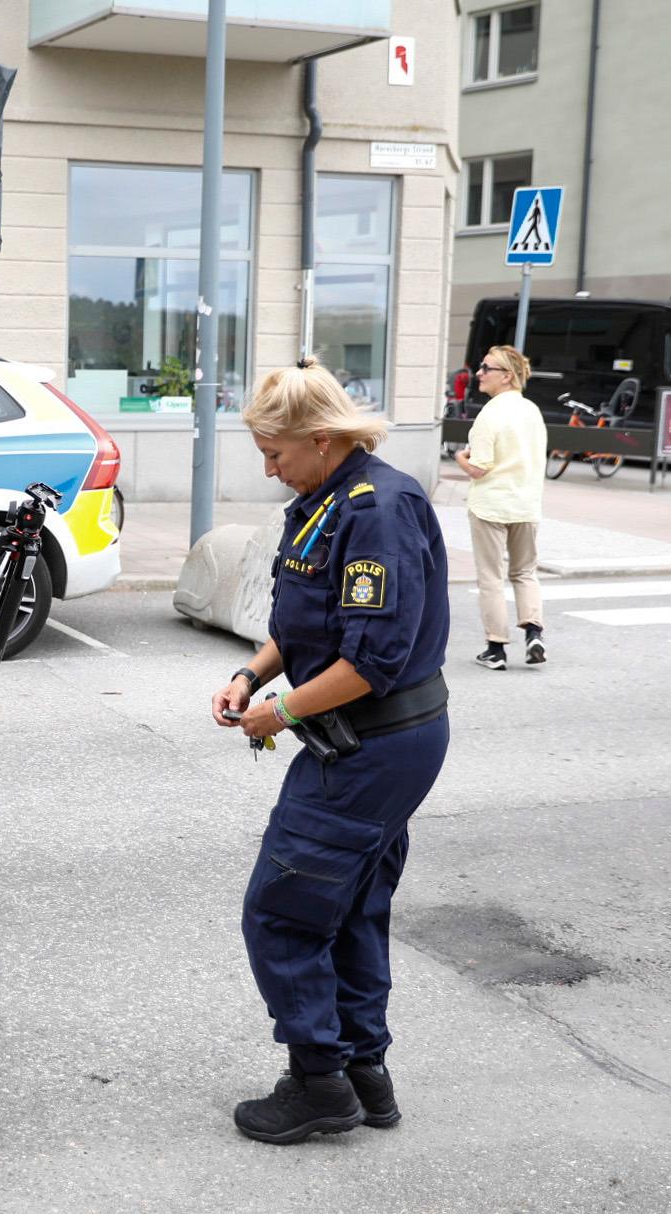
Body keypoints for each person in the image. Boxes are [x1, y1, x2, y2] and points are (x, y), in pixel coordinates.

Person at [212, 358, 450, 1145]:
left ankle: (318, 1084)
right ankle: (363, 1075)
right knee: (346, 906)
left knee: (280, 912)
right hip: (372, 742)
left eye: (276, 453)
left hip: (375, 744)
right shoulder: (324, 501)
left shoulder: (378, 508)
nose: (268, 467)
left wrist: (275, 713)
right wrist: (252, 675)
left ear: (322, 439)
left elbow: (370, 661)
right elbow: (311, 626)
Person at [454, 345, 547, 669]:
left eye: (486, 368)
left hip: (491, 504)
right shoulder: (532, 411)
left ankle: (496, 649)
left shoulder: (490, 414)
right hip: (526, 503)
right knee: (524, 572)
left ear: (507, 376)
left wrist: (459, 458)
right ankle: (534, 632)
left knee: (491, 577)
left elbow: (480, 467)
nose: (478, 373)